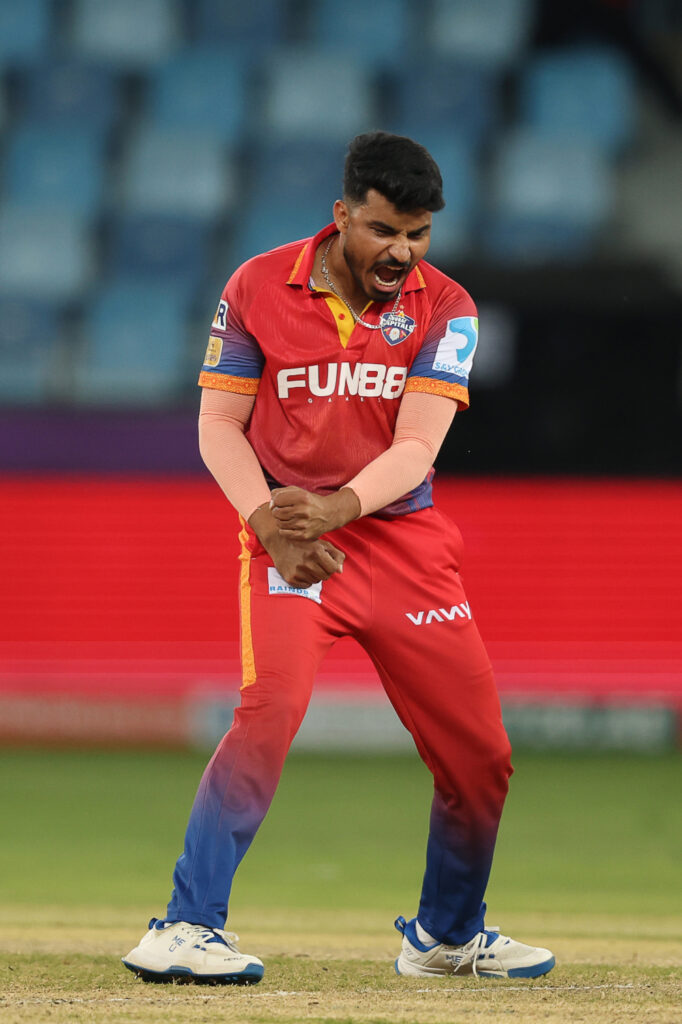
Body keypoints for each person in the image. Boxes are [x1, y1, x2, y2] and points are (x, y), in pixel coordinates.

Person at [122, 132, 555, 984]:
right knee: (268, 714)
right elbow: (218, 426)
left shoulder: (447, 308)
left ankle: (446, 936)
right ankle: (185, 926)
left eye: (420, 234)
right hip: (289, 541)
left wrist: (340, 507)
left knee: (479, 754)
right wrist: (271, 520)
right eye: (386, 230)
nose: (403, 253)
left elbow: (419, 446)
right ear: (341, 215)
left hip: (402, 544)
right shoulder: (255, 285)